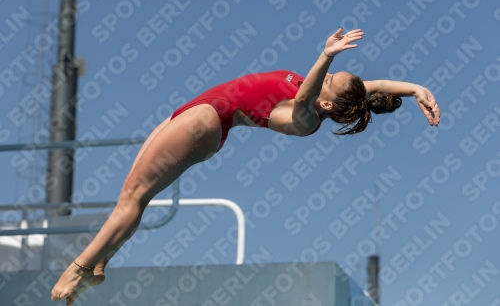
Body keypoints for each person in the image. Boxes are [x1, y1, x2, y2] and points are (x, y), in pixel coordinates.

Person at [51, 28, 440, 305]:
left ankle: (79, 267)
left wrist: (326, 55)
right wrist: (415, 88)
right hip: (200, 107)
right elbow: (370, 87)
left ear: (325, 101)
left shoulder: (304, 116)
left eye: (332, 78)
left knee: (135, 198)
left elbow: (308, 95)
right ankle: (100, 264)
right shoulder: (329, 97)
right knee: (130, 191)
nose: (328, 76)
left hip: (208, 120)